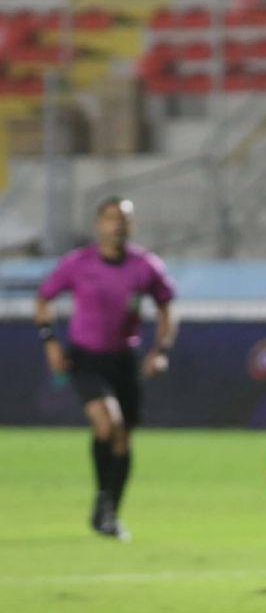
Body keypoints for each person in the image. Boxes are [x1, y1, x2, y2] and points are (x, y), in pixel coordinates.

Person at [34, 197, 177, 541]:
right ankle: (103, 501)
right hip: (85, 357)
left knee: (123, 437)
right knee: (106, 421)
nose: (118, 225)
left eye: (124, 219)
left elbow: (167, 308)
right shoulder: (78, 263)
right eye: (111, 218)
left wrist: (161, 350)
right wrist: (50, 341)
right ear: (99, 224)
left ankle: (109, 510)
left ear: (132, 225)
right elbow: (44, 298)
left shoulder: (146, 266)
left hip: (124, 359)